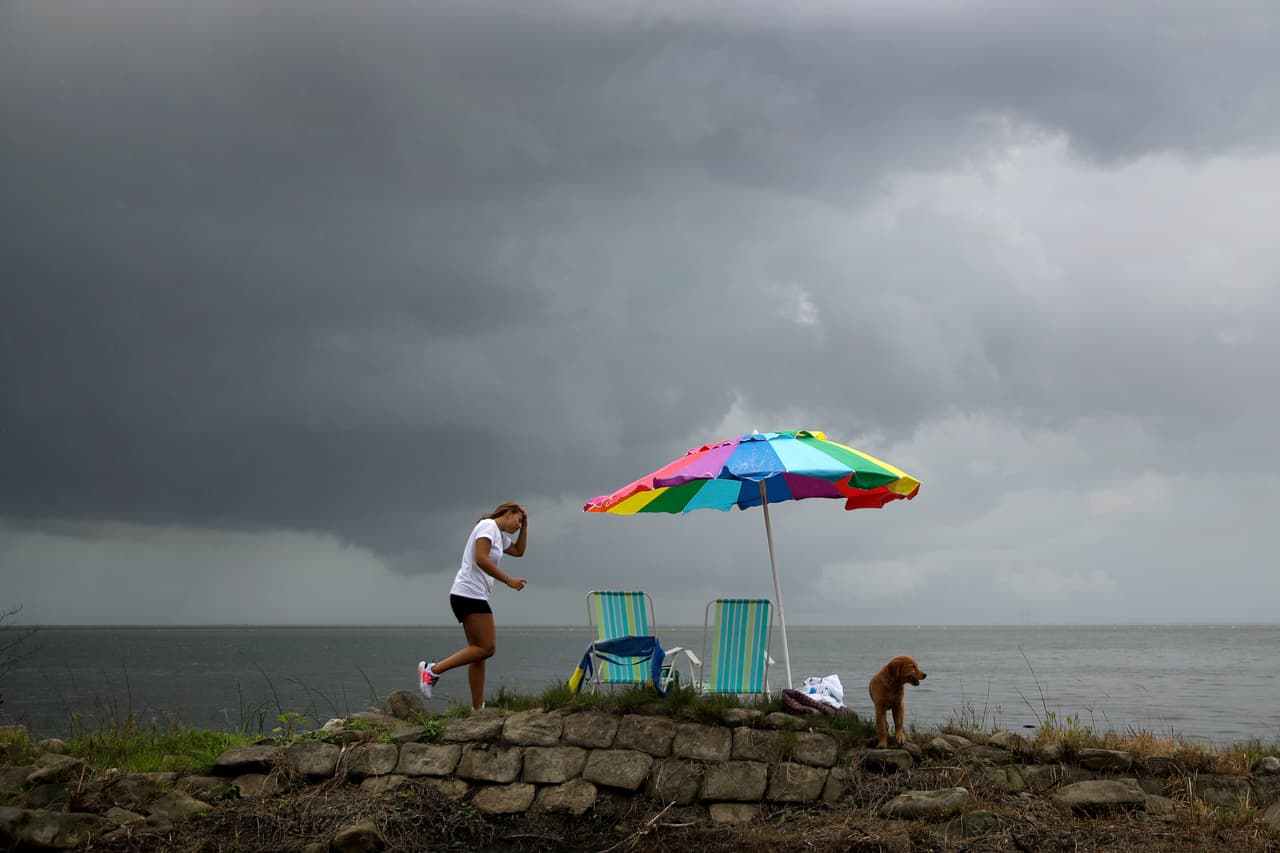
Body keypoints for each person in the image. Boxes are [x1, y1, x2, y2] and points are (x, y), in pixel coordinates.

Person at [418, 501, 528, 710]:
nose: (519, 526)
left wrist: (527, 525)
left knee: (479, 653)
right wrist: (508, 580)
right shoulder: (488, 526)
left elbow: (518, 550)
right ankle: (432, 670)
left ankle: (478, 708)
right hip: (468, 594)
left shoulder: (498, 535)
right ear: (508, 512)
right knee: (487, 648)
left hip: (469, 594)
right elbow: (480, 558)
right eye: (518, 520)